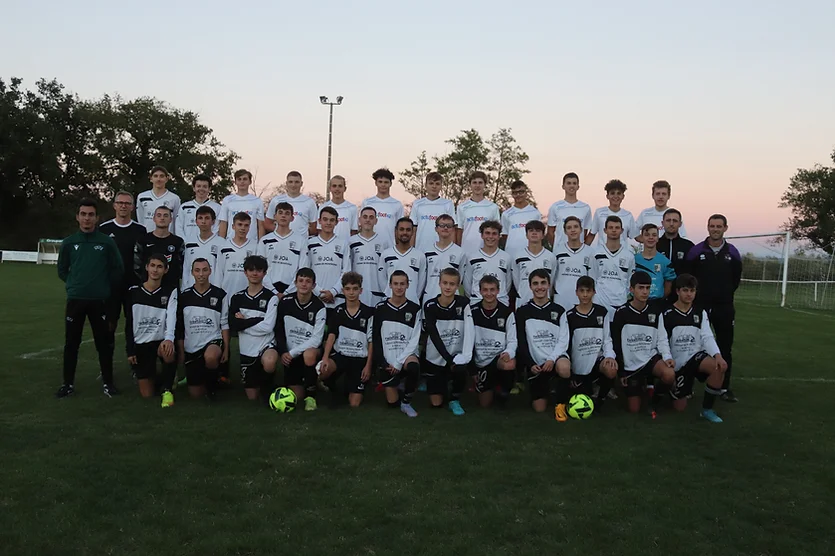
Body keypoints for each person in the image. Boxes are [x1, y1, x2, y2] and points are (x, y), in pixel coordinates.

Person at [56, 199, 124, 398]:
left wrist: (103, 286)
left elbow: (118, 268)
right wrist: (74, 284)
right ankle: (68, 384)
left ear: (97, 218)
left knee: (103, 344)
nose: (87, 218)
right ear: (77, 217)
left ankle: (108, 383)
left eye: (91, 215)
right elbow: (62, 270)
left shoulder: (106, 242)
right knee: (71, 343)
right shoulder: (69, 242)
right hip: (75, 300)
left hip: (99, 301)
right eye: (83, 214)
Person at [686, 214, 742, 403]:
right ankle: (687, 385)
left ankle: (723, 387)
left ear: (725, 228)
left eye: (719, 226)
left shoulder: (732, 252)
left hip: (724, 307)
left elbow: (735, 280)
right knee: (693, 345)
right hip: (700, 306)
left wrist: (723, 294)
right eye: (712, 226)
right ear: (708, 227)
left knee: (725, 346)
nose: (715, 229)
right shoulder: (696, 251)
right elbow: (689, 278)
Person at [662, 274, 728, 423]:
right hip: (678, 364)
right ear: (677, 291)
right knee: (679, 408)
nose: (689, 294)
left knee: (720, 367)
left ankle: (707, 410)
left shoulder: (700, 312)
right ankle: (671, 386)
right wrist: (667, 359)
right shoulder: (667, 314)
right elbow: (663, 341)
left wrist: (717, 355)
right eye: (685, 290)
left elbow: (707, 336)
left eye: (692, 291)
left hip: (696, 357)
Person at [609, 271, 675, 415]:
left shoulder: (655, 312)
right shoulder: (621, 313)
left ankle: (654, 401)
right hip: (631, 365)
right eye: (640, 288)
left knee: (669, 374)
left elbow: (662, 338)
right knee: (634, 409)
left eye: (647, 288)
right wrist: (621, 372)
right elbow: (616, 344)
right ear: (631, 289)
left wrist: (667, 357)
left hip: (650, 359)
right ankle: (639, 387)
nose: (645, 292)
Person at [515, 269, 571, 415]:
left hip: (555, 359)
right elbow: (521, 342)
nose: (539, 287)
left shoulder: (559, 310)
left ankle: (560, 405)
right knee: (539, 409)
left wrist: (552, 359)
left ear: (549, 285)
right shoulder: (522, 312)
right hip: (536, 364)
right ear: (530, 286)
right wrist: (530, 364)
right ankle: (544, 386)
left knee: (564, 368)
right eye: (535, 283)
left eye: (543, 283)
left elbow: (563, 340)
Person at [125, 254, 178, 407]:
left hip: (160, 342)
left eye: (160, 267)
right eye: (153, 266)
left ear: (165, 270)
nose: (155, 270)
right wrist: (130, 350)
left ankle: (167, 389)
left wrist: (169, 339)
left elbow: (171, 317)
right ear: (147, 267)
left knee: (168, 351)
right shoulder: (133, 291)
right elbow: (129, 323)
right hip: (141, 344)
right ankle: (162, 378)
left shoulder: (170, 292)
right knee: (147, 395)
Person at [99, 191, 146, 361]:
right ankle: (106, 364)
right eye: (120, 203)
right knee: (109, 325)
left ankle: (134, 361)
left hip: (133, 285)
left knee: (133, 325)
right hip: (110, 286)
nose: (123, 206)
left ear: (132, 207)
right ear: (114, 205)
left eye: (127, 203)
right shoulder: (104, 229)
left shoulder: (140, 230)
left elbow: (143, 258)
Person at [422, 268, 474, 415]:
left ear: (458, 286)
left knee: (460, 368)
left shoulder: (464, 303)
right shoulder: (430, 305)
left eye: (452, 284)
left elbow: (469, 330)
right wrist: (448, 359)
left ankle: (454, 399)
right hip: (436, 357)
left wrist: (465, 357)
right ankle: (443, 386)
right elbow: (434, 335)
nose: (448, 287)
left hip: (456, 355)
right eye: (445, 283)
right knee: (436, 403)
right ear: (439, 283)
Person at [175, 258, 229, 400]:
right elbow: (180, 327)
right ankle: (210, 378)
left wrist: (226, 349)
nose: (201, 274)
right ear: (192, 272)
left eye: (205, 270)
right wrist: (181, 351)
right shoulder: (184, 296)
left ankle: (212, 390)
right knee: (196, 394)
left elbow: (224, 323)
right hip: (192, 347)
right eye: (197, 270)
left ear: (210, 271)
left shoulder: (220, 295)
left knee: (211, 357)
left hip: (213, 341)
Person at [318, 272, 374, 408]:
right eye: (348, 289)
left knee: (354, 403)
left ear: (361, 290)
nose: (351, 292)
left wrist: (368, 366)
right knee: (322, 370)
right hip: (341, 356)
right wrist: (325, 358)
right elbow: (331, 336)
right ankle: (331, 387)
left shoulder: (369, 313)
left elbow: (371, 341)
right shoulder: (338, 311)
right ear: (343, 291)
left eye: (355, 289)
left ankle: (350, 387)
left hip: (359, 359)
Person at [227, 255, 279, 401]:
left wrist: (243, 324)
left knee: (269, 361)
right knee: (252, 397)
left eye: (259, 270)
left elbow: (268, 327)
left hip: (265, 345)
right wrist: (257, 320)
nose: (254, 273)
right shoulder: (237, 298)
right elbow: (234, 325)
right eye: (251, 270)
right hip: (247, 350)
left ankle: (268, 389)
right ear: (245, 272)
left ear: (265, 273)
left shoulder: (271, 297)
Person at [276, 268, 327, 411]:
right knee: (296, 396)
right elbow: (278, 330)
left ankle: (311, 397)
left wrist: (292, 353)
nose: (304, 284)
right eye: (301, 281)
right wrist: (283, 352)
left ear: (314, 285)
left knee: (309, 355)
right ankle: (313, 380)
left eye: (308, 281)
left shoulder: (319, 307)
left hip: (306, 351)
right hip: (289, 354)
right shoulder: (285, 302)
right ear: (295, 283)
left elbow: (317, 339)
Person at [372, 271, 422, 418]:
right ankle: (398, 384)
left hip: (406, 356)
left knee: (413, 366)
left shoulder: (415, 309)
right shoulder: (380, 308)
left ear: (407, 285)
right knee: (392, 403)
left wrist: (399, 362)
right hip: (388, 359)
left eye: (402, 284)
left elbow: (415, 339)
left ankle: (406, 402)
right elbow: (376, 337)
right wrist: (383, 362)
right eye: (395, 284)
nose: (399, 287)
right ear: (390, 285)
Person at [565, 276, 618, 409]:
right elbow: (566, 344)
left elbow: (607, 338)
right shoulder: (569, 316)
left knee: (611, 368)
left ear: (594, 292)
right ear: (576, 292)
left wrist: (609, 356)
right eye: (582, 291)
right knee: (579, 396)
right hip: (578, 367)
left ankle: (600, 399)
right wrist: (570, 371)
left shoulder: (602, 312)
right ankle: (584, 386)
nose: (585, 295)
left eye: (588, 291)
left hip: (596, 362)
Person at [470, 275, 517, 408]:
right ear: (480, 291)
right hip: (481, 362)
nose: (489, 293)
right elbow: (467, 342)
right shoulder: (472, 312)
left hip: (498, 359)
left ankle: (503, 390)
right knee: (484, 404)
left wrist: (508, 352)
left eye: (492, 289)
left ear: (498, 291)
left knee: (509, 364)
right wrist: (472, 370)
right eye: (485, 290)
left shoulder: (507, 312)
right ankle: (487, 384)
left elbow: (512, 340)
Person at [257, 201, 310, 299]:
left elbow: (302, 269)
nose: (283, 216)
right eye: (280, 213)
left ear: (292, 218)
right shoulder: (265, 240)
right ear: (275, 216)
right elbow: (259, 269)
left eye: (287, 213)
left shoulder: (300, 241)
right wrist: (273, 291)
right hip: (268, 290)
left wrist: (288, 292)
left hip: (291, 291)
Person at [133, 205, 184, 292]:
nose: (162, 218)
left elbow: (181, 266)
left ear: (171, 219)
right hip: (147, 288)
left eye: (165, 215)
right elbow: (137, 265)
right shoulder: (143, 240)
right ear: (154, 218)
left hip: (170, 288)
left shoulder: (178, 242)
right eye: (159, 215)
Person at [309, 206, 351, 309]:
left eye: (332, 220)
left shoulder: (343, 244)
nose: (328, 223)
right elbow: (307, 271)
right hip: (314, 297)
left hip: (337, 299)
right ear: (319, 221)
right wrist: (319, 292)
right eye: (325, 219)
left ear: (336, 222)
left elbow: (346, 271)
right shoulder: (310, 243)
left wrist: (333, 292)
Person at [461, 220, 511, 305]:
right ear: (482, 235)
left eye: (494, 234)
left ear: (499, 236)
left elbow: (508, 283)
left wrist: (500, 295)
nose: (490, 237)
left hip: (501, 302)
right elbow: (467, 283)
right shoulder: (472, 257)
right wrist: (476, 296)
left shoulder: (506, 257)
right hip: (477, 301)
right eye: (487, 233)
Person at [590, 216, 634, 314]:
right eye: (610, 227)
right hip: (599, 303)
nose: (614, 230)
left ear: (622, 230)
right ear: (605, 230)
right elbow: (592, 278)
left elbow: (629, 282)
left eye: (617, 227)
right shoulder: (596, 253)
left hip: (620, 303)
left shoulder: (629, 256)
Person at [349, 207, 392, 307]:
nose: (368, 220)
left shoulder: (384, 242)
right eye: (365, 217)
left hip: (378, 292)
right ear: (359, 220)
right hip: (357, 292)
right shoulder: (351, 241)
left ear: (376, 221)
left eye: (371, 217)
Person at [378, 217, 427, 305]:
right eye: (401, 229)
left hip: (412, 304)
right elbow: (382, 279)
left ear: (412, 232)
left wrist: (414, 297)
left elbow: (421, 283)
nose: (405, 232)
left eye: (408, 230)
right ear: (396, 231)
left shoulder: (420, 256)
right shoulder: (386, 254)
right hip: (390, 303)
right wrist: (388, 294)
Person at [511, 220, 557, 306]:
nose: (534, 233)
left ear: (543, 235)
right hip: (523, 301)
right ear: (526, 235)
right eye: (531, 230)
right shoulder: (517, 256)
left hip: (544, 303)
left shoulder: (551, 257)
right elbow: (517, 281)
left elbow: (551, 281)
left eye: (538, 231)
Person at [181, 206, 226, 291]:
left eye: (207, 218)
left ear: (213, 221)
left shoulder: (222, 243)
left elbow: (222, 270)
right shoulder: (189, 242)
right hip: (192, 290)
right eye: (200, 218)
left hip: (214, 290)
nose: (203, 221)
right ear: (196, 221)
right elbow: (186, 268)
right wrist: (185, 288)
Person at [410, 172, 456, 253]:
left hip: (442, 251)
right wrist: (411, 251)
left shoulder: (448, 204)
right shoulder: (417, 204)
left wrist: (451, 250)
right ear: (426, 185)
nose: (434, 186)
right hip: (420, 249)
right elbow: (413, 229)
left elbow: (452, 230)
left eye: (437, 184)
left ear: (441, 186)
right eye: (431, 183)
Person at [456, 171, 500, 253]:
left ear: (485, 185)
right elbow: (459, 230)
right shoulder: (461, 207)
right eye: (474, 182)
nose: (477, 185)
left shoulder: (493, 207)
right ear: (470, 185)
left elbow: (496, 232)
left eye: (480, 183)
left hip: (487, 252)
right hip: (466, 250)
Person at [553, 216, 592, 311]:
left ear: (581, 229)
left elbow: (592, 278)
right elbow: (553, 276)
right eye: (569, 228)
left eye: (576, 227)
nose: (573, 230)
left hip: (582, 300)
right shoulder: (557, 250)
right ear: (565, 231)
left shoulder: (590, 252)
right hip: (561, 299)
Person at [215, 212, 257, 299]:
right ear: (233, 226)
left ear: (249, 227)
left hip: (248, 295)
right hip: (226, 294)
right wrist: (217, 293)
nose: (243, 228)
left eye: (246, 225)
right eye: (240, 224)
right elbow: (219, 272)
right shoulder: (224, 246)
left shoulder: (255, 246)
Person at [423, 213, 463, 301]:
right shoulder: (426, 251)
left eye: (449, 226)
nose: (445, 228)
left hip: (452, 299)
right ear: (436, 229)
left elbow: (460, 277)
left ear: (453, 229)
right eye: (442, 225)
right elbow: (423, 278)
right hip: (430, 296)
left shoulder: (460, 252)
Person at [265, 170, 319, 236]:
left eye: (296, 182)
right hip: (280, 241)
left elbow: (314, 227)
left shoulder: (309, 202)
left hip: (301, 241)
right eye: (290, 182)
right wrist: (281, 232)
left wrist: (301, 233)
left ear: (301, 183)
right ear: (286, 183)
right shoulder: (276, 200)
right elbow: (267, 224)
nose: (293, 185)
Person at [657, 208, 695, 302]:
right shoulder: (656, 244)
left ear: (680, 224)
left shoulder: (688, 246)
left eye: (675, 221)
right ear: (662, 223)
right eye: (668, 220)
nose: (671, 224)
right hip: (659, 295)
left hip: (681, 297)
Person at [546, 172, 592, 248]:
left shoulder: (585, 207)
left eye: (574, 183)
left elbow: (585, 231)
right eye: (568, 183)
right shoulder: (555, 207)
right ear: (563, 186)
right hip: (560, 250)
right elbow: (550, 232)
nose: (571, 186)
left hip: (578, 251)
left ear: (578, 186)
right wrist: (557, 247)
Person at [218, 169, 265, 242]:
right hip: (231, 242)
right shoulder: (227, 200)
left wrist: (261, 244)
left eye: (245, 179)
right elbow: (223, 223)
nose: (242, 182)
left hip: (251, 243)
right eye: (239, 179)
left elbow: (261, 225)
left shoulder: (257, 201)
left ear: (250, 182)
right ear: (235, 182)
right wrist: (221, 243)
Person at [634, 223, 676, 304]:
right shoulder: (634, 259)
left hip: (657, 304)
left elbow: (669, 284)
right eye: (647, 235)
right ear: (642, 238)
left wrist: (660, 298)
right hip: (638, 303)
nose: (651, 238)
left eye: (654, 235)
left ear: (657, 238)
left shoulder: (665, 261)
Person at [587, 179, 636, 245]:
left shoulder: (628, 215)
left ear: (623, 196)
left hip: (623, 251)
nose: (615, 196)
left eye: (619, 193)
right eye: (612, 193)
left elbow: (635, 236)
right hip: (602, 250)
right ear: (607, 196)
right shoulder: (599, 213)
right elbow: (592, 234)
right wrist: (583, 250)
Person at [501, 180, 542, 259]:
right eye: (515, 193)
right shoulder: (506, 214)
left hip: (531, 254)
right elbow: (505, 236)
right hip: (511, 254)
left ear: (526, 193)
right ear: (512, 195)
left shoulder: (535, 213)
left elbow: (539, 235)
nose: (518, 195)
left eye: (521, 192)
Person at [361, 168, 404, 243]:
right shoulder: (367, 202)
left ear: (390, 184)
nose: (383, 185)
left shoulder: (397, 204)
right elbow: (362, 225)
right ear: (376, 183)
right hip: (369, 244)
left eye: (386, 182)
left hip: (389, 245)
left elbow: (399, 228)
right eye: (380, 182)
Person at [175, 174, 221, 243]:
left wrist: (208, 242)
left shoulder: (217, 207)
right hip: (187, 245)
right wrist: (185, 242)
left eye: (204, 186)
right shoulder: (184, 207)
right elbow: (179, 228)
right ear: (194, 188)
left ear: (209, 189)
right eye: (198, 186)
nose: (201, 189)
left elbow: (217, 228)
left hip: (209, 245)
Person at [136, 165, 181, 232]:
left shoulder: (175, 198)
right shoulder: (142, 197)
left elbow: (176, 221)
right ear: (151, 179)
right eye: (155, 176)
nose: (158, 179)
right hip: (147, 236)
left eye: (162, 176)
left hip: (167, 236)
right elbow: (140, 219)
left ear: (166, 179)